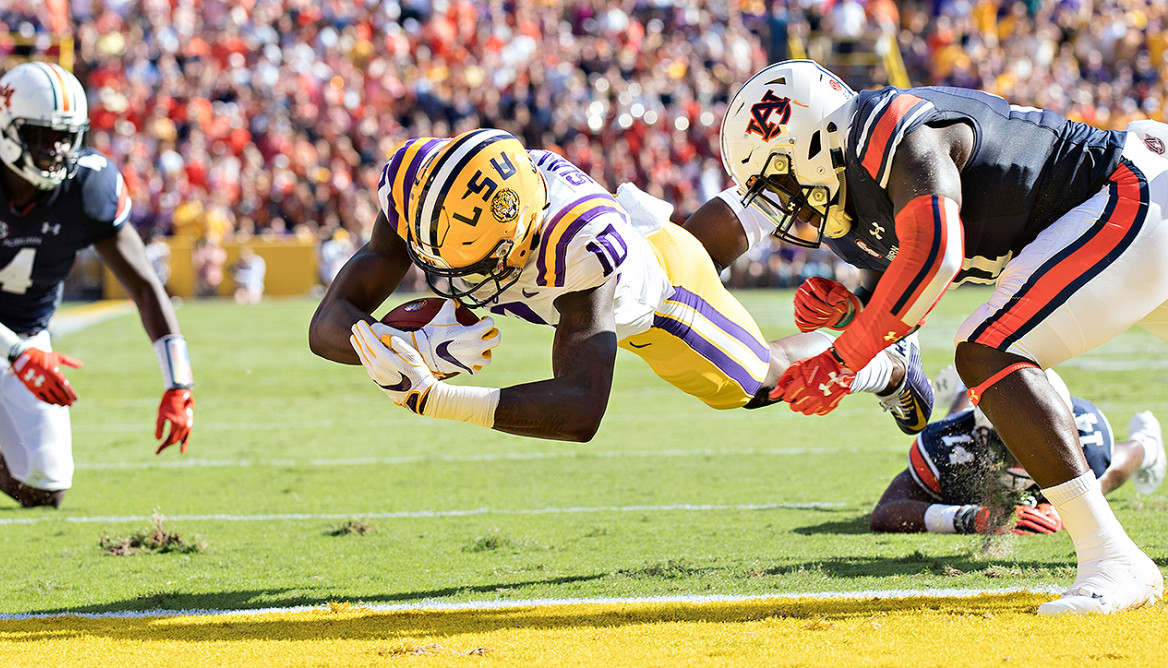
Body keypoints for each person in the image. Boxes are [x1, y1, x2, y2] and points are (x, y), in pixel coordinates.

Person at [703, 58, 1168, 614]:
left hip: (1133, 187)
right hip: (1133, 201)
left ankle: (1110, 558)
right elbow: (914, 385)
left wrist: (844, 359)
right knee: (987, 349)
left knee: (991, 349)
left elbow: (936, 256)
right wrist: (857, 317)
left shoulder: (886, 131)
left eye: (781, 180)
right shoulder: (857, 226)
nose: (788, 204)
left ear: (816, 139)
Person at [309, 129, 933, 444]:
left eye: (480, 264)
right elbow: (328, 323)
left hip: (658, 298)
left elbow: (581, 408)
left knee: (758, 381)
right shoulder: (424, 192)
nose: (457, 277)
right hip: (635, 235)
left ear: (518, 235)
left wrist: (433, 398)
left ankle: (887, 363)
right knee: (689, 244)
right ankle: (768, 198)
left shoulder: (576, 249)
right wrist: (387, 343)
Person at [0, 63, 195, 508]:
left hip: (24, 338)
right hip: (7, 343)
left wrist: (179, 383)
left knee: (44, 486)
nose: (56, 149)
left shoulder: (89, 184)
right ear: (7, 128)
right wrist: (17, 352)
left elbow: (146, 287)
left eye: (65, 136)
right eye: (42, 135)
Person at [871, 368, 1166, 535]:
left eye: (1037, 440)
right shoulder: (949, 443)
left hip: (1061, 444)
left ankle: (1146, 443)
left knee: (1110, 472)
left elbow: (1096, 481)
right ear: (983, 433)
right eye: (1010, 442)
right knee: (953, 425)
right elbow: (885, 512)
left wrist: (1071, 508)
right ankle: (966, 388)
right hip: (969, 429)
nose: (1022, 455)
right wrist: (967, 517)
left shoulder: (1087, 439)